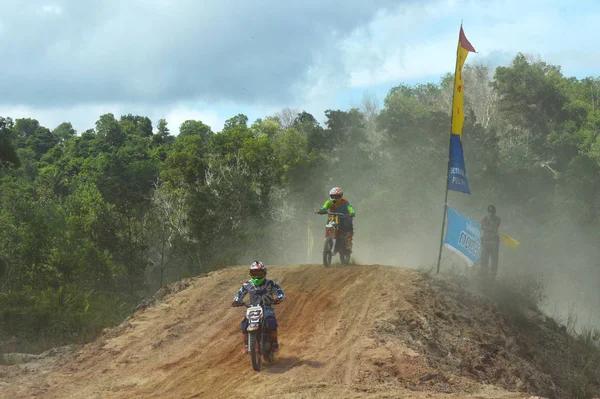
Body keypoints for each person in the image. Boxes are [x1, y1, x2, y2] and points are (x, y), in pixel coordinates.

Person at [232, 261, 285, 354]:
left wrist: (279, 298)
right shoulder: (247, 284)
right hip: (253, 308)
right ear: (250, 274)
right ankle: (247, 344)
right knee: (245, 322)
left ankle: (274, 343)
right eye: (254, 273)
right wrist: (236, 301)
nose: (256, 276)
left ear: (264, 273)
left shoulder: (271, 283)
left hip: (267, 306)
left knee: (271, 320)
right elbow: (239, 294)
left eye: (259, 273)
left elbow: (280, 292)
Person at [315, 187, 356, 252]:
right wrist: (320, 211)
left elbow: (350, 208)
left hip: (344, 217)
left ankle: (348, 241)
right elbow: (324, 207)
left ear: (341, 196)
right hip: (333, 217)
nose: (334, 198)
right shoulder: (329, 202)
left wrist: (352, 212)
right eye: (333, 196)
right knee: (328, 225)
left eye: (336, 197)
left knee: (349, 222)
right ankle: (327, 239)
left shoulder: (345, 202)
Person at [480, 204, 501, 279]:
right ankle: (484, 275)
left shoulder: (497, 219)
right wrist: (491, 229)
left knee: (494, 260)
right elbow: (482, 226)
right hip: (486, 242)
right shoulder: (485, 218)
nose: (491, 213)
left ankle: (493, 276)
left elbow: (496, 225)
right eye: (490, 212)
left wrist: (491, 228)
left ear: (495, 212)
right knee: (484, 260)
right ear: (488, 212)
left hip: (494, 243)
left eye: (492, 212)